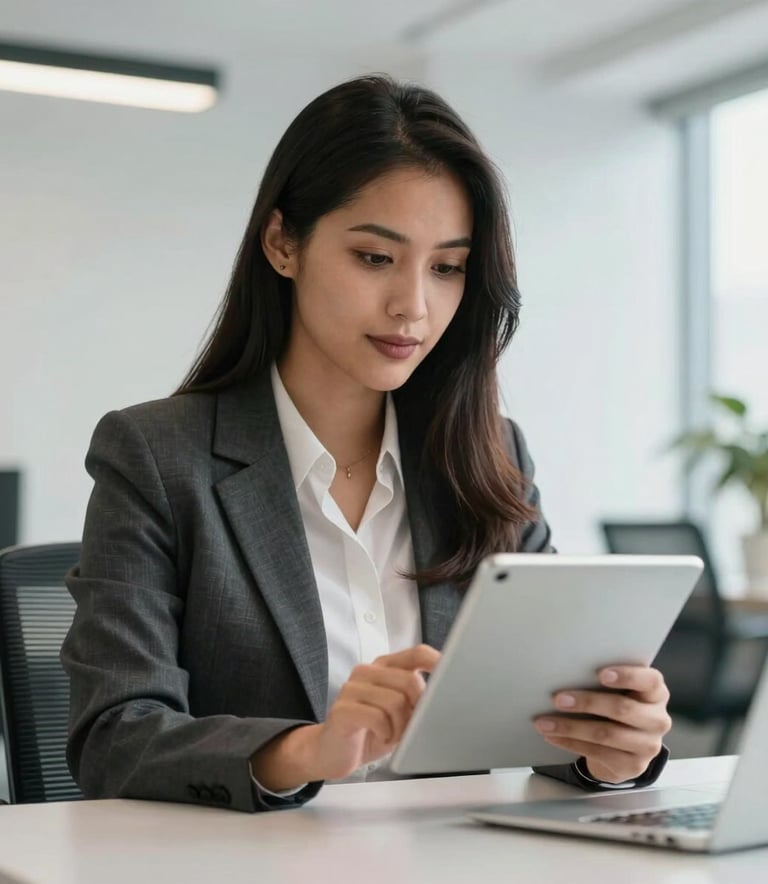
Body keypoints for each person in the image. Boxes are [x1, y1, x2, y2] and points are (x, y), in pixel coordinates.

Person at [62, 74, 671, 813]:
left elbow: (538, 720)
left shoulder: (489, 456)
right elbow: (115, 737)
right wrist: (308, 749)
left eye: (447, 267)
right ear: (283, 243)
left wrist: (611, 750)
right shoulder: (157, 457)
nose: (413, 305)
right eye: (376, 258)